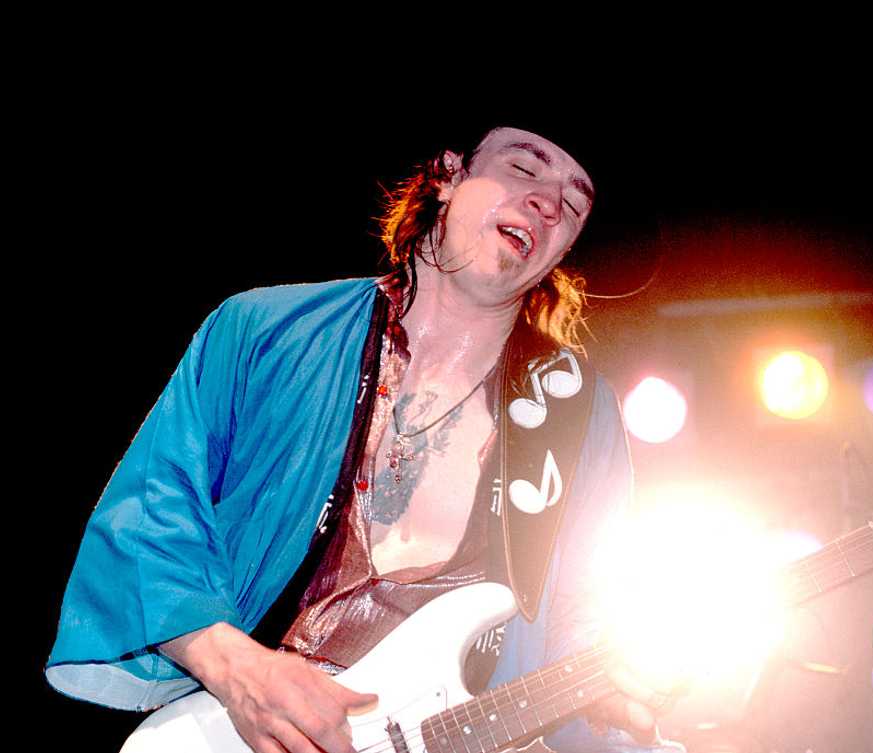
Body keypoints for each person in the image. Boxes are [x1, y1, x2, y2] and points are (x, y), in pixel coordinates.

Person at [47, 126, 682, 753]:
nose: (548, 201)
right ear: (450, 172)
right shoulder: (266, 330)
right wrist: (237, 669)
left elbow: (578, 622)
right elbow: (153, 511)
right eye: (525, 166)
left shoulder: (579, 413)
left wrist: (617, 697)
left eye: (574, 201)